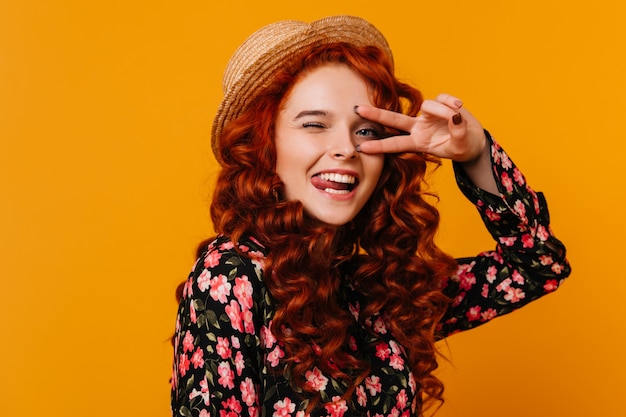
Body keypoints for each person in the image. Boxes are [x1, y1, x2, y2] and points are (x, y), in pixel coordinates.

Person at [170, 15, 571, 417]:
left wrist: (476, 152)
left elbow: (537, 265)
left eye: (365, 131)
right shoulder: (230, 280)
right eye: (314, 124)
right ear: (264, 144)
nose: (345, 148)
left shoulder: (379, 287)